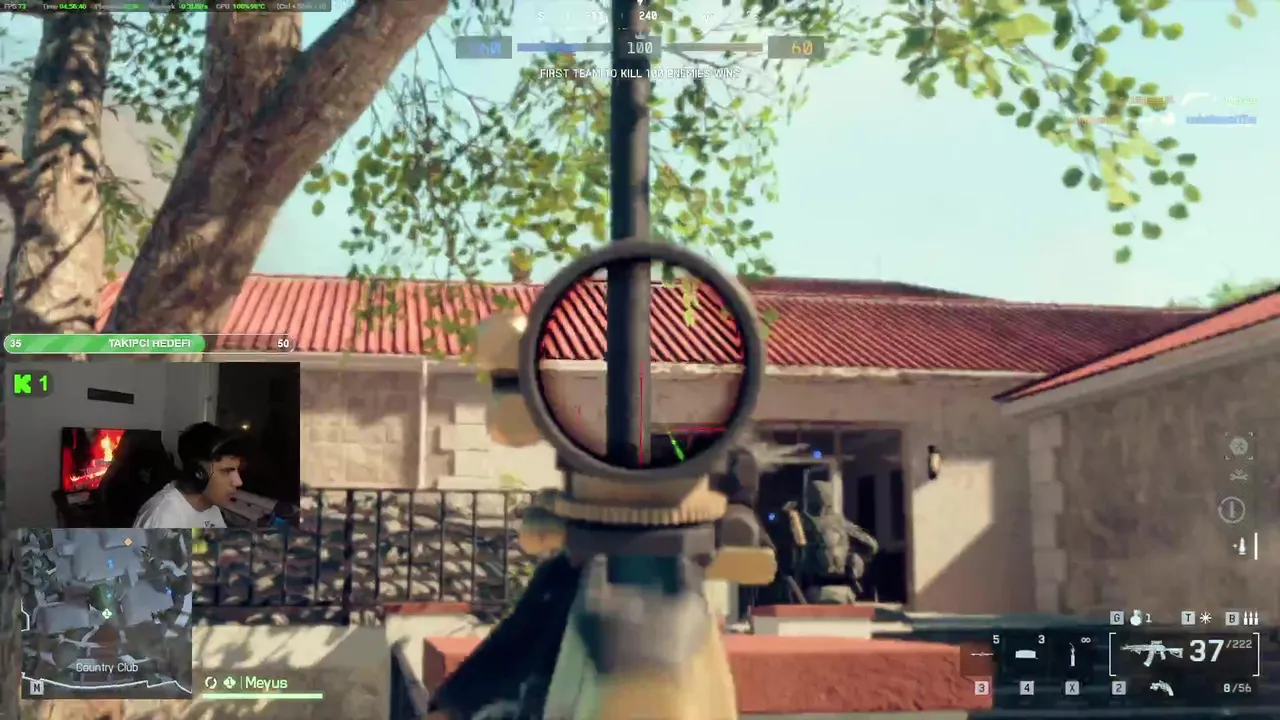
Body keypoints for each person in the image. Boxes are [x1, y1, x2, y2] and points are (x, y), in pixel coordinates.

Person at [133, 423, 245, 529]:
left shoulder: (210, 505)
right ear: (198, 473)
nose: (238, 482)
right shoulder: (163, 518)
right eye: (226, 471)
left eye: (237, 470)